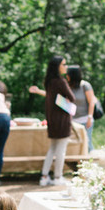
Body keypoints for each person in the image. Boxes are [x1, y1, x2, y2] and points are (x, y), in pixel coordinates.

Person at [29, 55, 75, 187]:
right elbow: (72, 98)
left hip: (52, 119)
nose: (66, 67)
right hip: (62, 120)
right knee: (61, 150)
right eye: (64, 64)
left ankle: (44, 176)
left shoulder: (49, 82)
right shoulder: (61, 81)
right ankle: (57, 176)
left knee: (52, 148)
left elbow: (51, 96)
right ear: (57, 66)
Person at [67, 64, 96, 153]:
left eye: (68, 74)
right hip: (73, 121)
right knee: (75, 144)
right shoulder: (68, 86)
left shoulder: (85, 86)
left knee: (87, 143)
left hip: (85, 119)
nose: (66, 76)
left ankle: (91, 163)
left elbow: (92, 101)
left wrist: (90, 117)